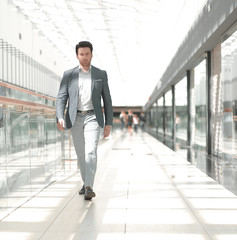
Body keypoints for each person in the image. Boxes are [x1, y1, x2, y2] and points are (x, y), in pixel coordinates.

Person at [56, 41, 113, 200]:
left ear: (92, 54)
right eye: (82, 54)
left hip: (93, 116)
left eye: (87, 54)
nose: (85, 57)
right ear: (77, 55)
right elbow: (61, 97)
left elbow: (107, 100)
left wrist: (108, 122)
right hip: (75, 118)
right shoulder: (69, 75)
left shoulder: (100, 74)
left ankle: (89, 187)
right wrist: (60, 117)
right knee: (81, 155)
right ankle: (85, 181)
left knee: (90, 152)